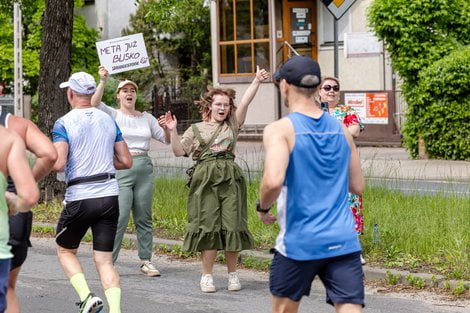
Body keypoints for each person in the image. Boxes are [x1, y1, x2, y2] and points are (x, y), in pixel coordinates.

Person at [257, 56, 365, 313]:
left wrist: (262, 208)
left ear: (284, 85)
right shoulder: (341, 130)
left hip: (299, 241)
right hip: (343, 239)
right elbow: (357, 186)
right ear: (318, 88)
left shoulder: (280, 130)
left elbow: (273, 181)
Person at [164, 66, 269, 293]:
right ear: (209, 106)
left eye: (226, 105)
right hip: (205, 179)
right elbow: (178, 152)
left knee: (233, 224)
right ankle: (207, 276)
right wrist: (172, 130)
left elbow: (246, 103)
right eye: (218, 104)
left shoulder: (233, 124)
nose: (222, 108)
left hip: (230, 177)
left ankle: (233, 275)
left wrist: (256, 81)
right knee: (208, 225)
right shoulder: (195, 128)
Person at [52, 72, 132, 313]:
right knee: (105, 260)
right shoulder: (109, 120)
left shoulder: (63, 122)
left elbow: (59, 164)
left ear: (70, 93)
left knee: (65, 249)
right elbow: (127, 161)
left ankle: (87, 298)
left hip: (80, 195)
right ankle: (115, 310)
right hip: (109, 195)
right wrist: (104, 164)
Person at [91, 66, 170, 276]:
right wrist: (102, 81)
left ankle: (146, 260)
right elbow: (94, 103)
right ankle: (109, 262)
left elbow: (165, 139)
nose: (129, 93)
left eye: (132, 90)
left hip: (143, 166)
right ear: (118, 95)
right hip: (122, 166)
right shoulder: (112, 114)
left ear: (136, 95)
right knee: (120, 215)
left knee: (144, 216)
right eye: (125, 90)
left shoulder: (147, 117)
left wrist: (169, 128)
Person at [0, 111, 57, 313]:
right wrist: (24, 181)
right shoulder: (14, 128)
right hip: (12, 217)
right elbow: (50, 154)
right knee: (9, 291)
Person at [319, 77, 366, 264]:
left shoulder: (346, 110)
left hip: (345, 164)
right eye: (327, 87)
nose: (332, 91)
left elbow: (354, 131)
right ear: (319, 91)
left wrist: (328, 125)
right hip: (319, 166)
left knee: (350, 204)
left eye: (335, 88)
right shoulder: (313, 112)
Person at [0, 126, 39, 313]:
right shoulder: (10, 137)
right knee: (9, 291)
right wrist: (13, 201)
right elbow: (30, 197)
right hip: (7, 235)